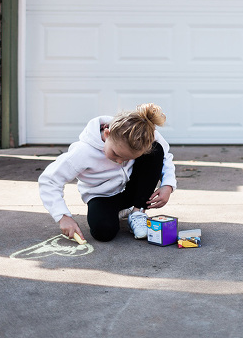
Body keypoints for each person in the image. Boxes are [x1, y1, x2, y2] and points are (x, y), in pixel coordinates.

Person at [38, 103, 177, 242]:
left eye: (127, 158)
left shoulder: (143, 134)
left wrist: (168, 185)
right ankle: (118, 211)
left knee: (156, 150)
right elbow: (49, 180)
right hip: (102, 196)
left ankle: (137, 211)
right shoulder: (83, 152)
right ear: (107, 134)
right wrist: (63, 217)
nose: (119, 161)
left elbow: (165, 155)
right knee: (103, 232)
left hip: (132, 190)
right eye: (115, 154)